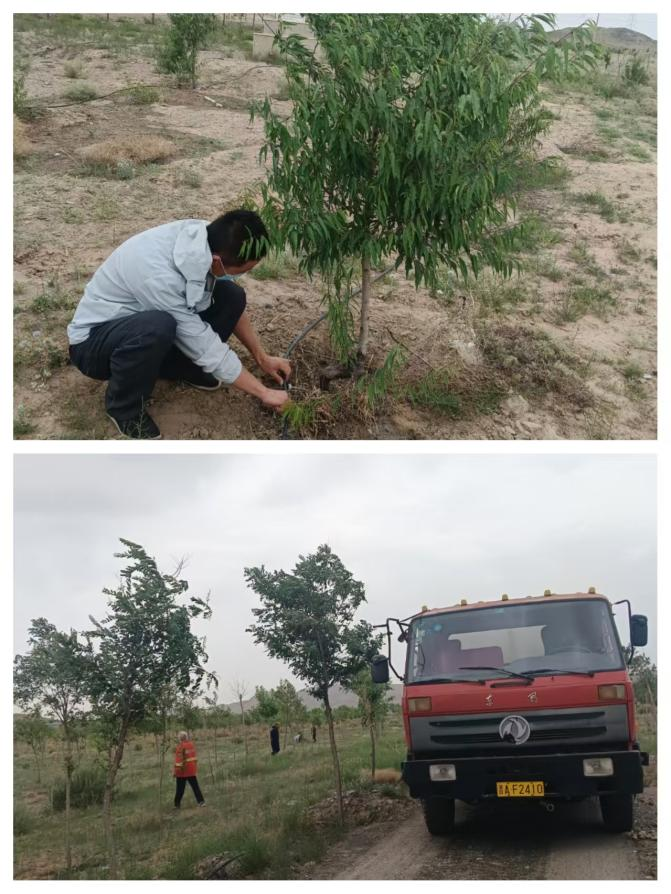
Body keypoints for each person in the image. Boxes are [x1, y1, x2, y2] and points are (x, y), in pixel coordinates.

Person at [67, 209, 292, 439]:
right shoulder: (158, 277)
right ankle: (123, 408)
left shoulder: (208, 237)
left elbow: (216, 315)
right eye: (242, 271)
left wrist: (262, 358)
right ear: (217, 261)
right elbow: (202, 344)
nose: (242, 275)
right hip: (94, 343)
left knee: (231, 295)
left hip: (142, 319)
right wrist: (264, 392)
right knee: (158, 326)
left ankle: (187, 370)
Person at [173, 730, 205, 808]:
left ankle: (177, 805)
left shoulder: (180, 747)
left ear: (180, 738)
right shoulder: (191, 745)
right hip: (191, 770)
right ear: (186, 737)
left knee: (180, 789)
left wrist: (175, 772)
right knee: (195, 787)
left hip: (182, 771)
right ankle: (201, 802)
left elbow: (179, 761)